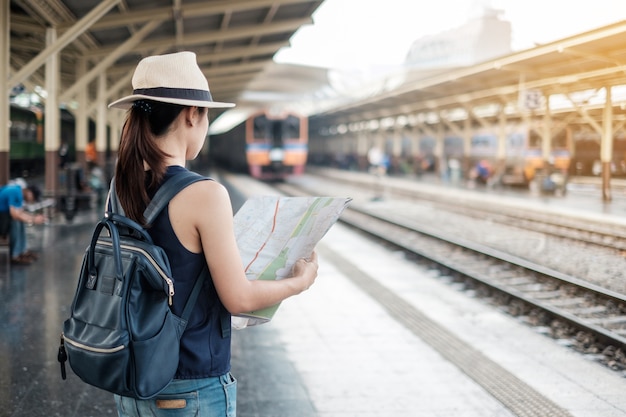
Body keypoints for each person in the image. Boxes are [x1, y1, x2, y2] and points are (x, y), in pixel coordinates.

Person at [107, 51, 319, 417]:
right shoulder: (204, 194)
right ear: (192, 114)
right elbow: (238, 298)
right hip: (191, 387)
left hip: (131, 380)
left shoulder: (118, 187)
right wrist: (299, 282)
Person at [0, 179, 47, 265]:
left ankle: (22, 251)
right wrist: (33, 219)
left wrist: (33, 218)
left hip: (3, 217)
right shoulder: (15, 192)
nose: (32, 201)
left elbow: (20, 213)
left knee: (19, 220)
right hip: (2, 218)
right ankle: (15, 254)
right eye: (33, 198)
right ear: (29, 193)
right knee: (16, 221)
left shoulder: (18, 192)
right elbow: (15, 214)